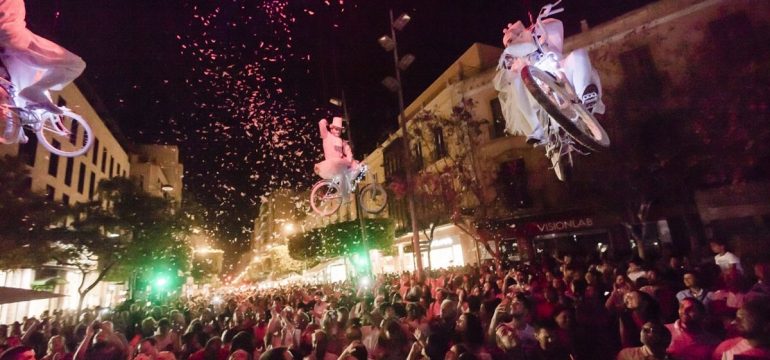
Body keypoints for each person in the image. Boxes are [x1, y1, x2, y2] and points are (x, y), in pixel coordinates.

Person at [492, 5, 603, 145]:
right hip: (538, 89)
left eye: (518, 35)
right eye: (511, 41)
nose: (516, 39)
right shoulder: (517, 60)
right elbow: (510, 66)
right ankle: (536, 129)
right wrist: (510, 62)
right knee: (516, 82)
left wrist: (539, 25)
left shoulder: (541, 38)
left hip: (560, 72)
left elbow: (556, 26)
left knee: (579, 54)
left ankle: (585, 96)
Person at [0, 0, 86, 114]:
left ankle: (28, 101)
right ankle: (35, 91)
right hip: (13, 37)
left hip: (10, 40)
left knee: (23, 88)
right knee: (75, 65)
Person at [314, 117, 359, 200]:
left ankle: (344, 194)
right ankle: (344, 194)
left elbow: (348, 150)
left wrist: (349, 160)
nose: (338, 131)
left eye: (339, 130)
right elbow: (321, 123)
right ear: (331, 129)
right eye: (336, 129)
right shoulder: (327, 136)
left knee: (352, 168)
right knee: (343, 171)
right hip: (331, 164)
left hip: (339, 164)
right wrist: (326, 122)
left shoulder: (341, 141)